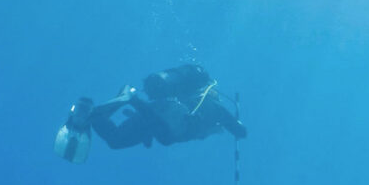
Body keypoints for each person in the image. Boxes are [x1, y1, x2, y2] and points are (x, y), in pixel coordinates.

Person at [58, 64, 246, 160]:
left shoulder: (196, 99)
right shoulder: (216, 110)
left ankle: (90, 114)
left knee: (115, 140)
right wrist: (237, 128)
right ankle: (131, 99)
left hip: (157, 111)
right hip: (166, 119)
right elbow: (240, 131)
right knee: (167, 137)